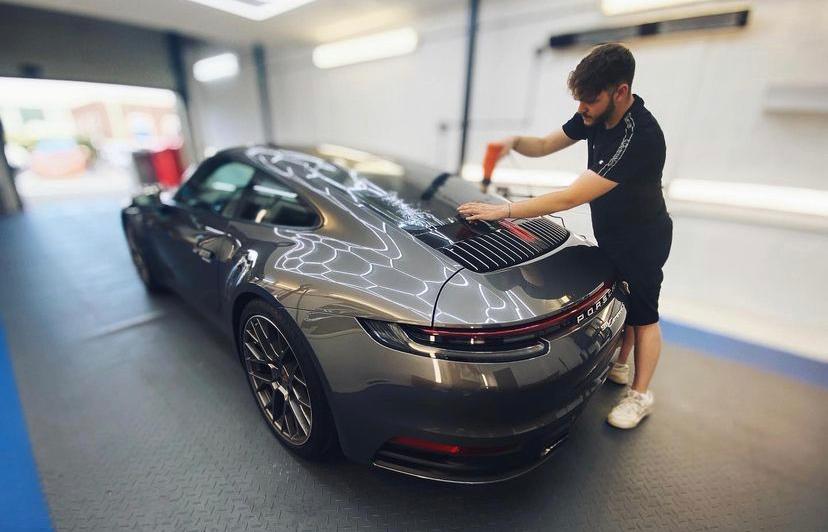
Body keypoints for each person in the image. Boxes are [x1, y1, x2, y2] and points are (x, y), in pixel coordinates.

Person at [457, 43, 672, 430]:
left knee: (644, 316)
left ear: (620, 92)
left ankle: (640, 395)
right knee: (623, 298)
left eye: (590, 100)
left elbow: (572, 197)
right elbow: (543, 145)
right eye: (580, 100)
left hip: (643, 239)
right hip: (613, 231)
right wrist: (513, 142)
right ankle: (620, 365)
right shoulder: (593, 115)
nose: (582, 108)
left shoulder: (639, 137)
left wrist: (504, 210)